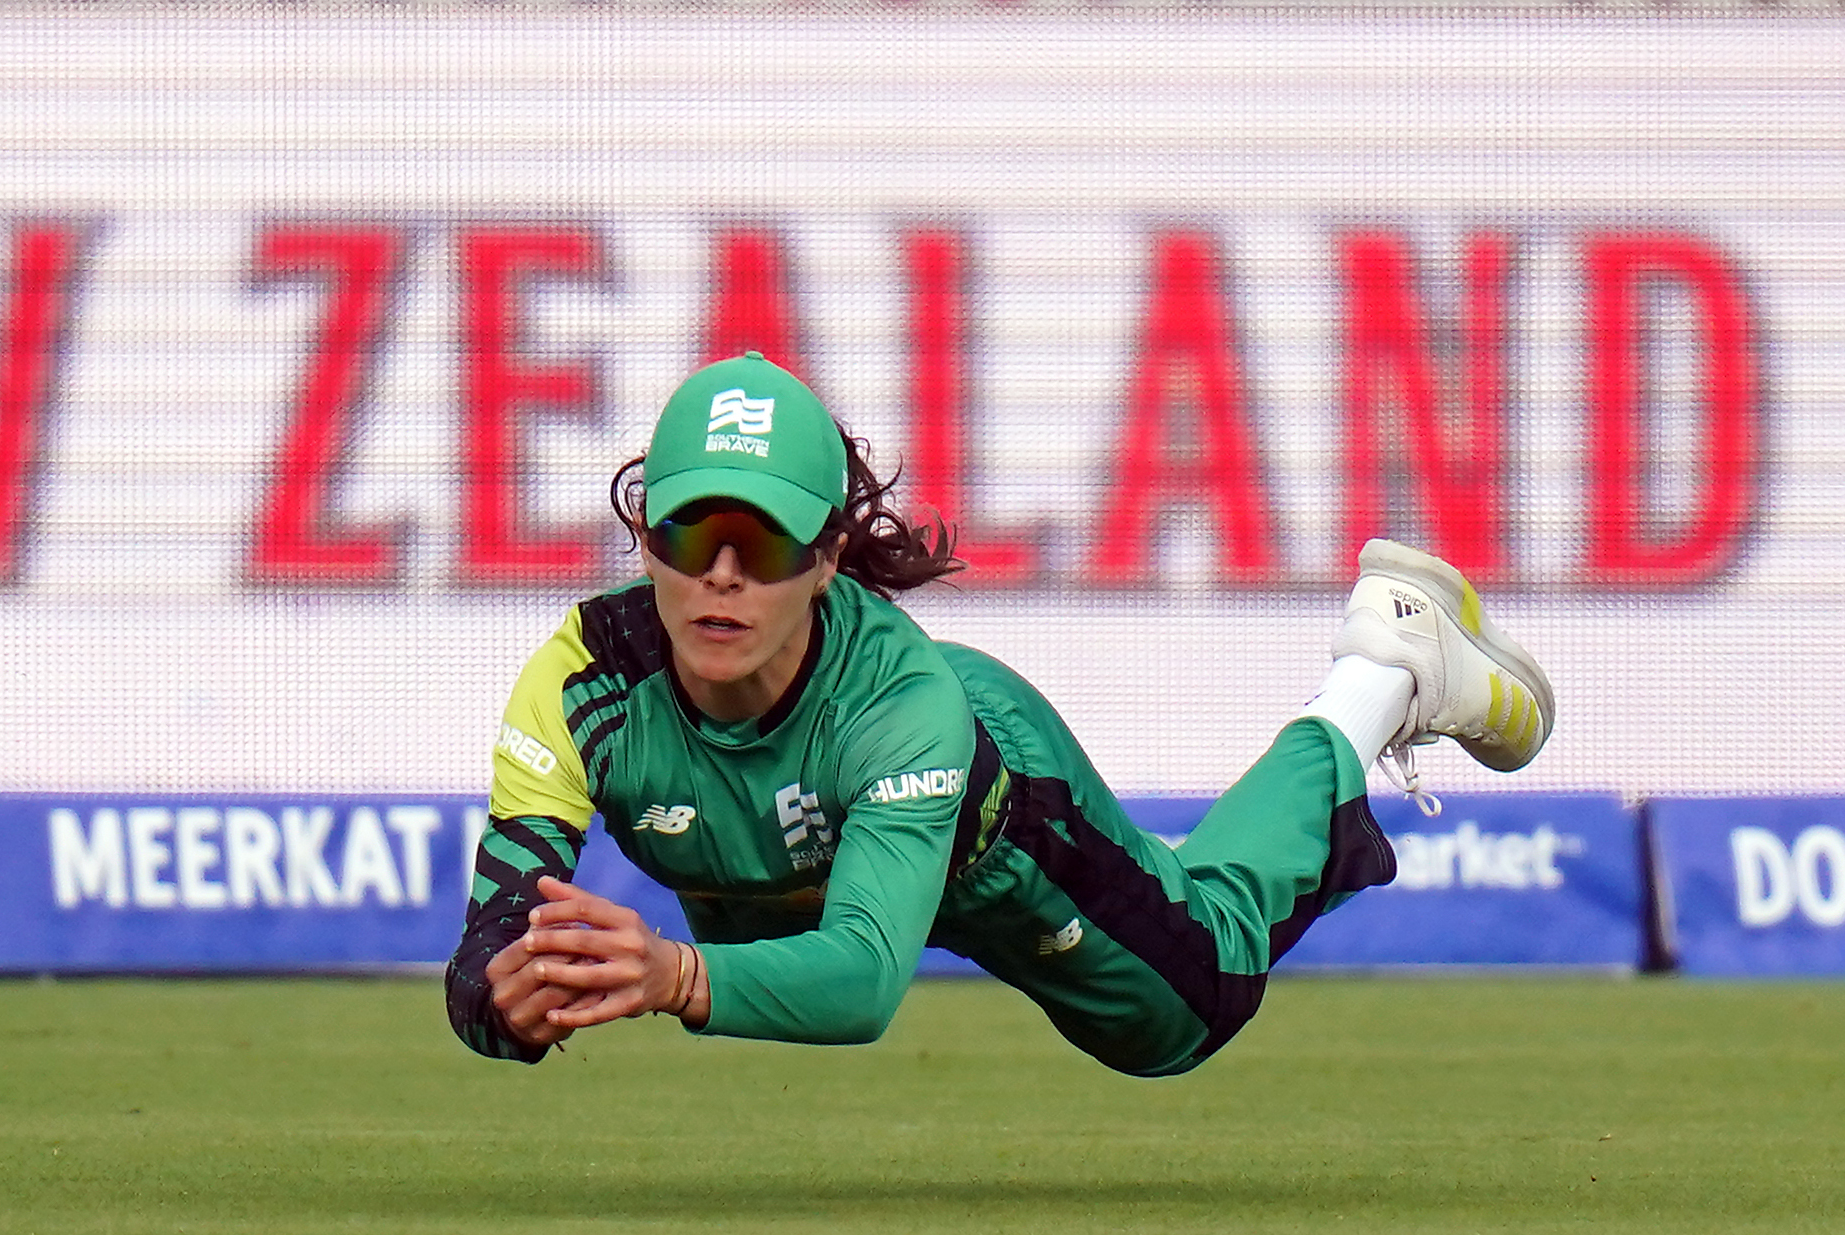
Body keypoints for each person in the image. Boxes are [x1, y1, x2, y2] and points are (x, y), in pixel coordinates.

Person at [444, 352, 1553, 1077]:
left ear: (829, 555)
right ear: (645, 540)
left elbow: (867, 976)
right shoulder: (580, 680)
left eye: (769, 541)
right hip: (794, 890)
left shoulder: (903, 701)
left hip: (995, 834)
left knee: (1184, 1011)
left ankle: (1379, 674)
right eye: (692, 536)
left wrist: (676, 975)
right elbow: (484, 956)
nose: (724, 577)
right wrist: (515, 1001)